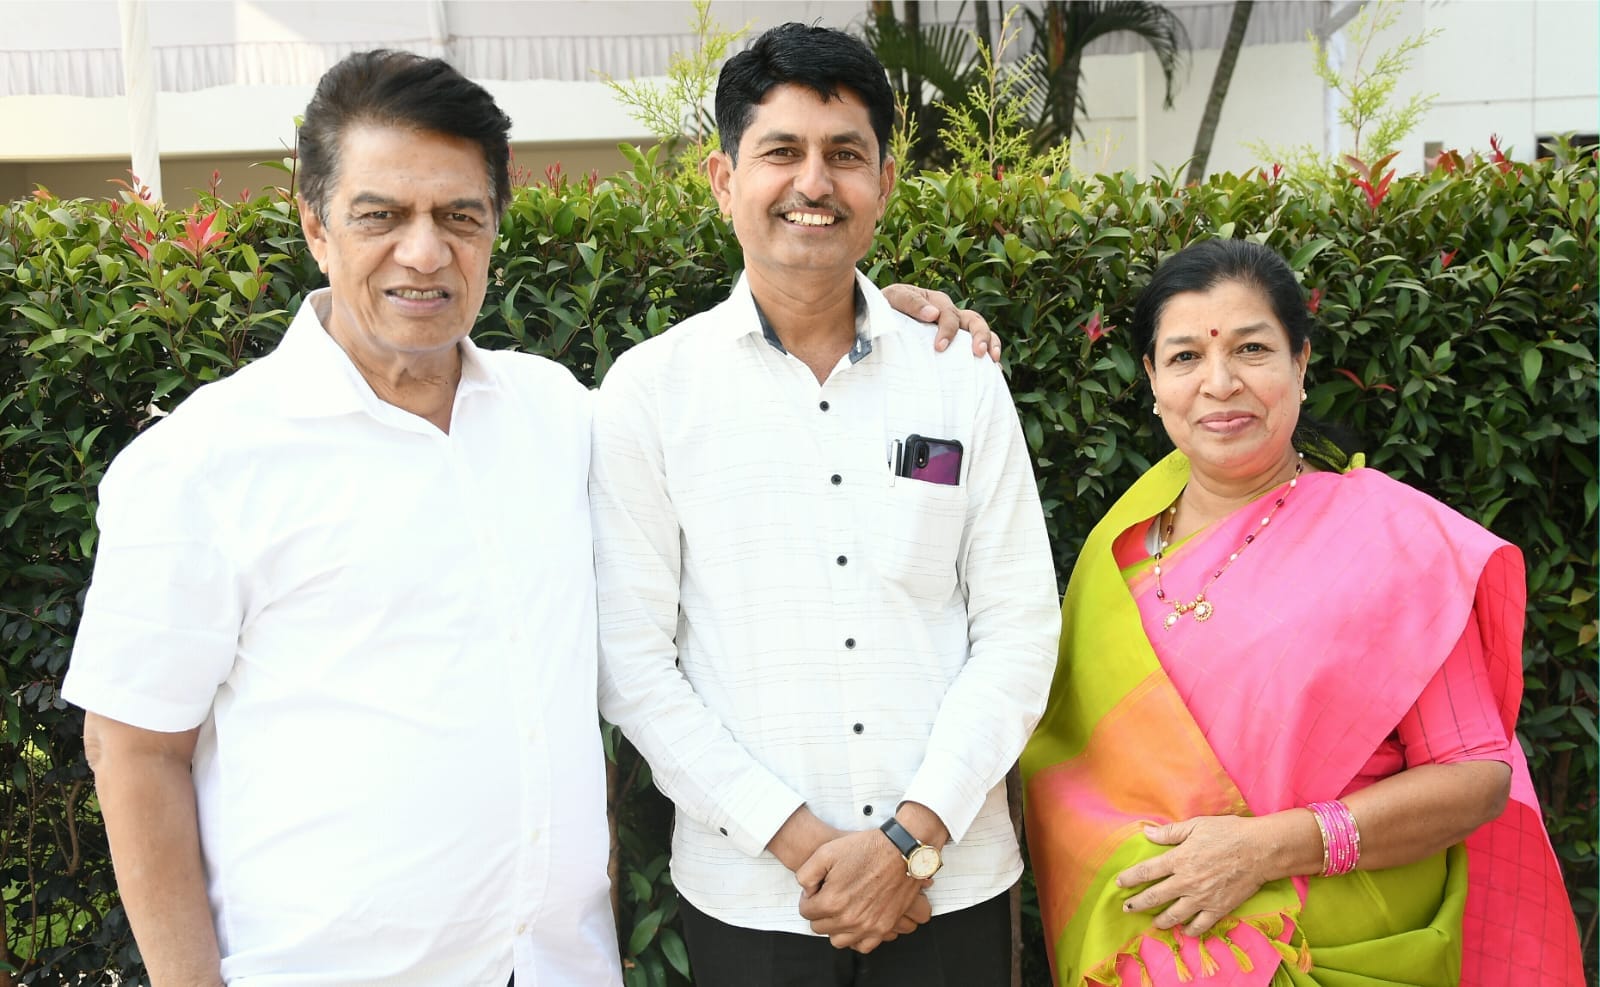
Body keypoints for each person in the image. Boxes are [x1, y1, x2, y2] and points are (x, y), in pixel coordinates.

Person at [62, 49, 997, 987]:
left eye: (459, 216)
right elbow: (132, 749)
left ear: (494, 227)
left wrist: (879, 320)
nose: (424, 252)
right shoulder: (202, 464)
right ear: (315, 223)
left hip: (553, 966)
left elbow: (758, 415)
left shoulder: (556, 415)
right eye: (380, 216)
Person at [590, 23, 1060, 987]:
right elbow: (634, 661)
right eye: (781, 151)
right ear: (723, 179)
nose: (814, 181)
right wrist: (813, 849)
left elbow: (1018, 627)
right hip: (754, 897)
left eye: (845, 154)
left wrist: (909, 840)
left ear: (883, 183)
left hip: (952, 884)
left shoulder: (959, 376)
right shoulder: (650, 392)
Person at [1020, 239, 1584, 986]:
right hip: (1142, 951)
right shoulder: (1115, 551)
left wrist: (1269, 849)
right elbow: (1070, 779)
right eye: (1186, 357)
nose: (1220, 382)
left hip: (1339, 945)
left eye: (1251, 349)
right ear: (1152, 380)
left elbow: (1475, 777)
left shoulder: (1391, 543)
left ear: (1301, 363)